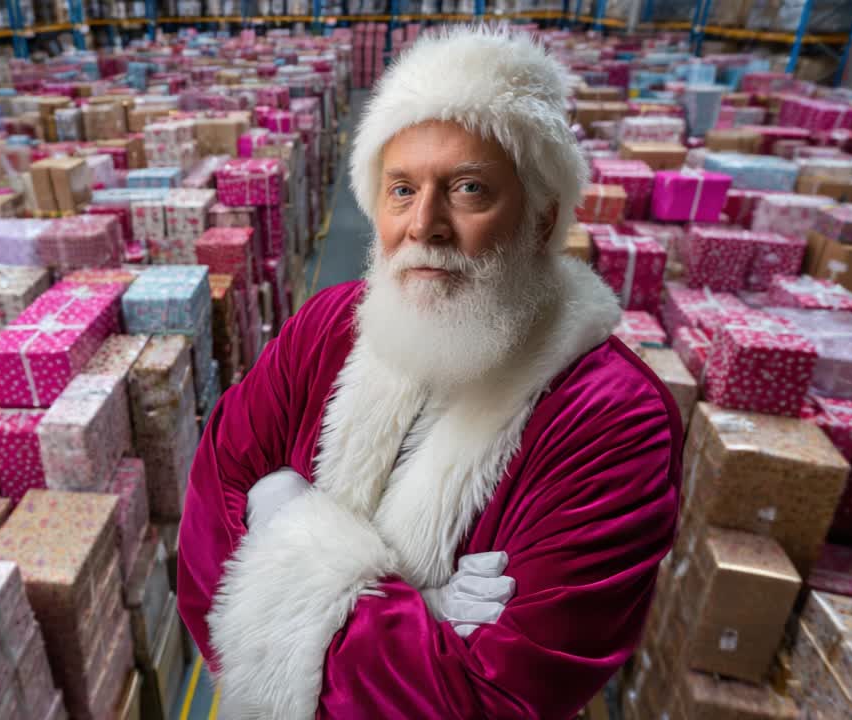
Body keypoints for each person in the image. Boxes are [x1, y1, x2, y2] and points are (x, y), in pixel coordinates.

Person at [177, 25, 682, 719]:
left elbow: (497, 697)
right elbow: (211, 514)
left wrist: (286, 526)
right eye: (401, 189)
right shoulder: (326, 326)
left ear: (540, 221)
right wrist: (416, 614)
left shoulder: (611, 420)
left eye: (469, 189)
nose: (424, 225)